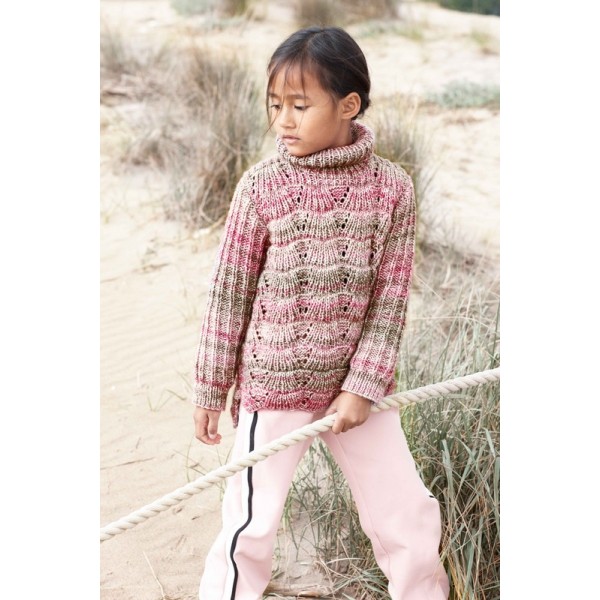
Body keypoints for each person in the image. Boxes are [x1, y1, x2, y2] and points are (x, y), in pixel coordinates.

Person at [192, 26, 449, 600]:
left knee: (407, 514)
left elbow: (389, 303)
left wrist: (362, 387)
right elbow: (228, 295)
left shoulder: (392, 189)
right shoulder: (262, 186)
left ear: (348, 105)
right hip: (274, 389)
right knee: (250, 527)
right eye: (275, 105)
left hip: (360, 394)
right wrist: (211, 387)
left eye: (300, 106)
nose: (283, 120)